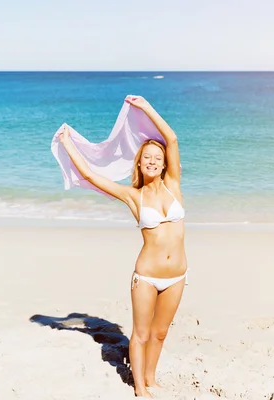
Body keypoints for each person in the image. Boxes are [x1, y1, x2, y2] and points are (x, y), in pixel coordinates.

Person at [58, 96, 187, 398]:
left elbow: (171, 137)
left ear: (165, 162)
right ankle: (140, 388)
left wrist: (145, 107)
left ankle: (151, 378)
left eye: (158, 157)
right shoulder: (133, 196)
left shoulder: (174, 184)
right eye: (147, 158)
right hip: (146, 277)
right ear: (139, 164)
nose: (153, 161)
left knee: (161, 332)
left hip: (178, 275)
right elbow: (91, 176)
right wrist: (67, 143)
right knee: (141, 334)